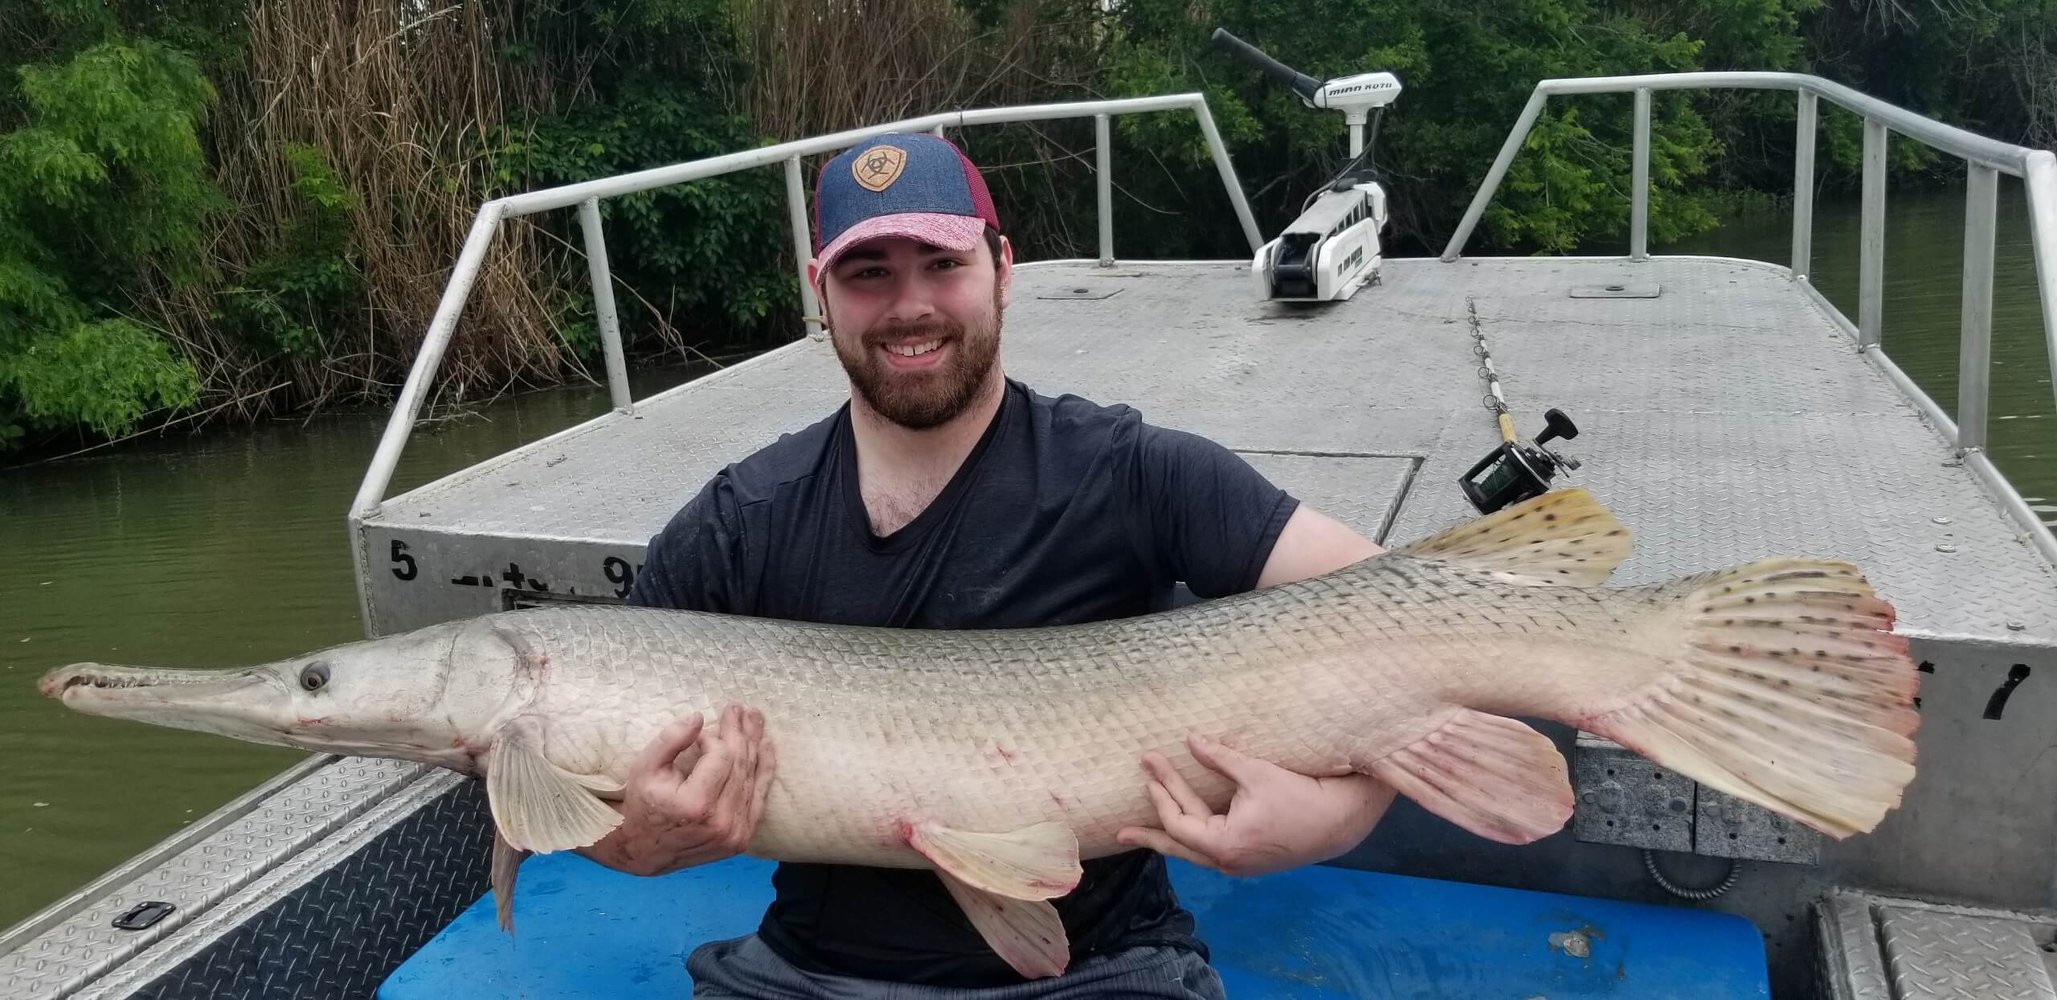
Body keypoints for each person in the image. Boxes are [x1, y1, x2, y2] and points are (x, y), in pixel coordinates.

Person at [582, 132, 1398, 998]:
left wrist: (1340, 820)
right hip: (807, 974)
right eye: (868, 274)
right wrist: (629, 845)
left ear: (1004, 269)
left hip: (1106, 969)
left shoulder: (1134, 472)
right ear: (819, 293)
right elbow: (596, 769)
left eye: (942, 262)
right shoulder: (738, 523)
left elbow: (1401, 611)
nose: (909, 306)